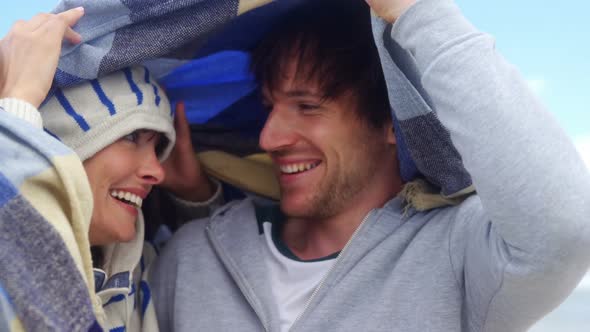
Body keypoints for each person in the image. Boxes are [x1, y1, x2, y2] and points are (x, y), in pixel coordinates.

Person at [149, 0, 590, 331]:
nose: (270, 138)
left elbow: (563, 233)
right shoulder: (190, 256)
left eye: (307, 106)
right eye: (269, 107)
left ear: (391, 122)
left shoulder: (459, 255)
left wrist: (417, 11)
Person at [0, 9, 220, 332]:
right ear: (62, 141)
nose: (157, 172)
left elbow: (212, 273)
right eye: (131, 136)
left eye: (157, 146)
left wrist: (194, 195)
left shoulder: (138, 275)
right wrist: (18, 111)